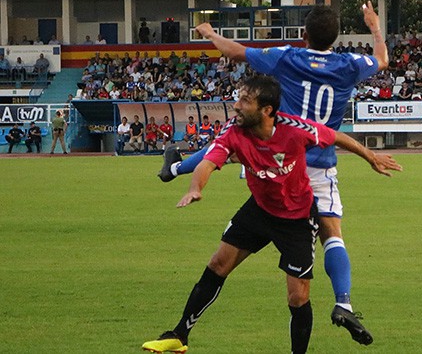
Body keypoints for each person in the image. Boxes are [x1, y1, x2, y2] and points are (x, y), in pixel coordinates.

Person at [157, 2, 387, 344]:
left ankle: (174, 166)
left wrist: (209, 33)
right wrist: (374, 26)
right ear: (335, 37)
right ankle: (344, 302)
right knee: (332, 235)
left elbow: (236, 52)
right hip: (318, 158)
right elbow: (382, 60)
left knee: (232, 146)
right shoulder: (349, 64)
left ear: (303, 34)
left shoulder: (286, 57)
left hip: (280, 147)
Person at [141, 75, 401, 354]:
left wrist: (371, 157)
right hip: (260, 210)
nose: (236, 105)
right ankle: (179, 335)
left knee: (297, 296)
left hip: (297, 218)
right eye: (238, 98)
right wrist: (195, 188)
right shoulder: (234, 131)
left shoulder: (294, 129)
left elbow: (334, 136)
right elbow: (208, 161)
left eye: (245, 101)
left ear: (267, 110)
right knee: (218, 264)